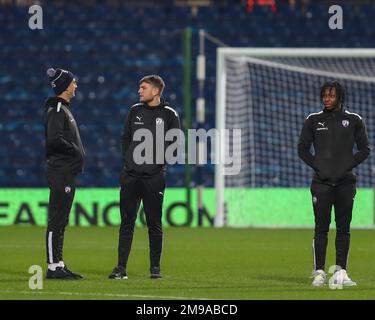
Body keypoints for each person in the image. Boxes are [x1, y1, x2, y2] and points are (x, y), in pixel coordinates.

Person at [298, 81, 370, 287]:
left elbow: (364, 149)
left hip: (346, 183)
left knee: (343, 229)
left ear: (340, 98)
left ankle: (341, 272)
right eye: (325, 96)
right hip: (321, 183)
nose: (327, 99)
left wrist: (348, 164)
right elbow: (302, 149)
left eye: (331, 96)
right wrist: (317, 165)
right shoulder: (313, 120)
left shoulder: (354, 120)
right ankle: (319, 272)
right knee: (321, 228)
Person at [109, 75, 180, 280]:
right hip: (130, 177)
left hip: (154, 178)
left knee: (154, 224)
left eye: (143, 87)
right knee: (126, 224)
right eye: (139, 87)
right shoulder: (134, 110)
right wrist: (129, 162)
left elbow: (175, 144)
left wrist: (155, 164)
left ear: (156, 91)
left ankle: (155, 269)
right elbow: (125, 138)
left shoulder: (169, 114)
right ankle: (121, 268)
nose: (139, 91)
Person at [44, 68, 85, 280]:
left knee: (62, 220)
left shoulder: (63, 109)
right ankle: (52, 267)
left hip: (66, 171)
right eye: (74, 83)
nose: (76, 86)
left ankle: (59, 263)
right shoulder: (58, 109)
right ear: (66, 86)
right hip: (60, 171)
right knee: (57, 219)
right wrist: (75, 150)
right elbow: (54, 139)